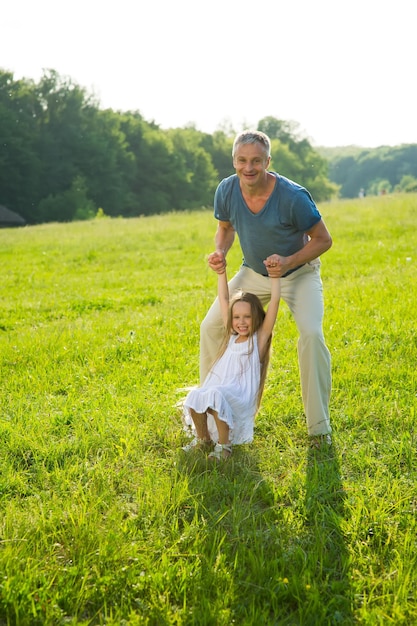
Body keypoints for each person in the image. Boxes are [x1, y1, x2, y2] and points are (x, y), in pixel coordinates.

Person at [200, 130, 333, 447]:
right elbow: (225, 229)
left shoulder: (293, 196)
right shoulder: (227, 190)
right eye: (243, 160)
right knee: (211, 326)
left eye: (256, 161)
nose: (249, 168)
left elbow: (323, 240)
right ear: (234, 161)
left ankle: (319, 429)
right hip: (254, 272)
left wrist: (288, 262)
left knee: (311, 335)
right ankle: (209, 413)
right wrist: (221, 252)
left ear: (267, 162)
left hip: (299, 274)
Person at [182, 266, 280, 461]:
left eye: (247, 317)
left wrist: (275, 277)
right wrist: (221, 273)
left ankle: (224, 447)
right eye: (236, 317)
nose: (241, 322)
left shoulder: (258, 341)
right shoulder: (231, 337)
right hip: (222, 388)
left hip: (240, 396)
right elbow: (224, 299)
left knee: (216, 396)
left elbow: (275, 302)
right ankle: (204, 440)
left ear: (256, 318)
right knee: (195, 396)